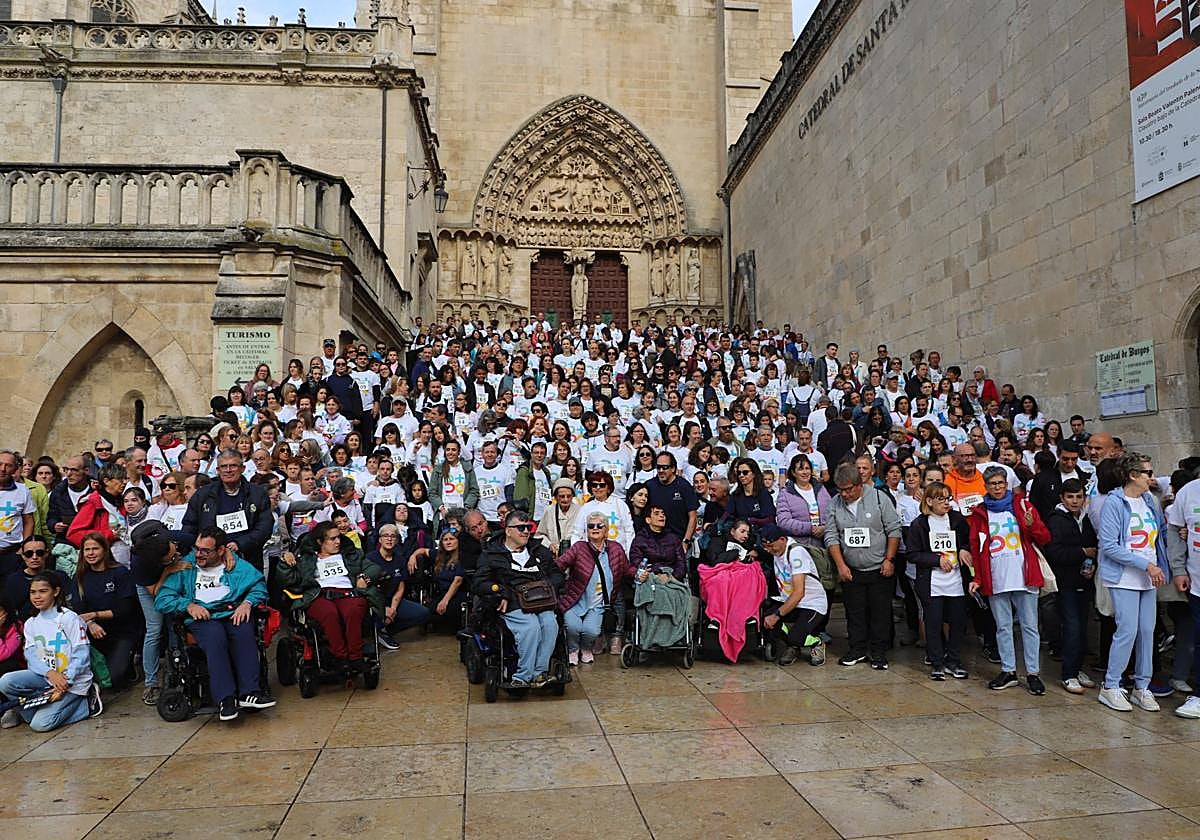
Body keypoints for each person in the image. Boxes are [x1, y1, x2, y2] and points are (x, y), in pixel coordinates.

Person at [155, 526, 275, 721]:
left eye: (205, 551)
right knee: (215, 638)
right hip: (202, 616)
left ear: (221, 550)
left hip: (231, 610)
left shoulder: (236, 564)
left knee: (244, 632)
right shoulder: (186, 567)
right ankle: (225, 698)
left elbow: (258, 585)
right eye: (197, 548)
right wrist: (188, 605)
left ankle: (249, 692)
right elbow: (162, 599)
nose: (199, 554)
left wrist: (247, 603)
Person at [967, 466, 1051, 694]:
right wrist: (978, 576)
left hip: (1024, 574)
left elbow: (1044, 537)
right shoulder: (979, 513)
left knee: (1030, 626)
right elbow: (976, 546)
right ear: (986, 487)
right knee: (1003, 627)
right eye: (992, 484)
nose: (997, 487)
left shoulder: (1022, 505)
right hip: (996, 575)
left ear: (1007, 484)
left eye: (1000, 483)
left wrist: (1032, 523)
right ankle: (1008, 670)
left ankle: (1033, 673)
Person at [1097, 452, 1167, 713]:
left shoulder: (1149, 500)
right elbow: (1110, 546)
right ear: (1133, 475)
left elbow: (1158, 534)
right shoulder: (1114, 503)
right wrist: (1146, 565)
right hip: (1124, 576)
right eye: (1147, 472)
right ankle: (1111, 685)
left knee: (1147, 631)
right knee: (1126, 630)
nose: (1152, 476)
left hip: (1148, 578)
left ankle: (1142, 687)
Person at [0, 573, 102, 731]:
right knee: (6, 681)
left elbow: (81, 655)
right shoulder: (31, 623)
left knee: (40, 725)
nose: (37, 596)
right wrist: (50, 673)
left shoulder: (69, 618)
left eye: (43, 591)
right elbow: (32, 656)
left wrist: (64, 682)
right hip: (47, 678)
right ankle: (41, 709)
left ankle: (87, 704)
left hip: (72, 681)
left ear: (55, 591)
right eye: (33, 592)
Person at [824, 462, 901, 669]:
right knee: (854, 612)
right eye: (841, 490)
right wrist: (840, 565)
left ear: (859, 485)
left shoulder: (879, 498)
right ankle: (857, 649)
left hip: (878, 566)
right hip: (851, 568)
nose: (845, 494)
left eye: (848, 489)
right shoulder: (834, 503)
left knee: (880, 612)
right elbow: (831, 535)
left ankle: (879, 652)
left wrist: (889, 559)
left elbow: (893, 530)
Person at [281, 521, 383, 675]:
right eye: (332, 539)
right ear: (320, 542)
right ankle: (340, 657)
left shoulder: (351, 554)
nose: (338, 541)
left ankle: (356, 658)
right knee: (329, 613)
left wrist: (366, 578)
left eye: (338, 538)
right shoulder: (307, 558)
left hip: (348, 593)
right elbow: (288, 579)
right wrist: (285, 562)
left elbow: (374, 568)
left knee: (353, 610)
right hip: (319, 594)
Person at [474, 510, 562, 688]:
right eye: (520, 528)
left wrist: (545, 586)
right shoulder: (492, 554)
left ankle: (539, 673)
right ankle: (522, 676)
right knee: (531, 627)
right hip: (511, 601)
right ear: (508, 531)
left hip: (540, 599)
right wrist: (501, 591)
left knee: (550, 624)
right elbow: (479, 583)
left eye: (528, 527)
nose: (525, 531)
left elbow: (557, 575)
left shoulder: (539, 551)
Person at [906, 482, 972, 680]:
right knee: (933, 623)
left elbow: (968, 541)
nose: (946, 503)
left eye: (948, 498)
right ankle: (936, 661)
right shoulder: (920, 524)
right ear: (929, 501)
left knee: (958, 623)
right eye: (941, 498)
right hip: (932, 582)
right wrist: (936, 560)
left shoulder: (957, 519)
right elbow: (912, 554)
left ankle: (953, 660)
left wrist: (963, 548)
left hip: (956, 581)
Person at [1044, 477, 1098, 694]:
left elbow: (1093, 545)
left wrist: (1091, 563)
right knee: (1072, 627)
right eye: (1070, 497)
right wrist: (1082, 553)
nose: (1074, 501)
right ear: (1062, 498)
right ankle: (1069, 673)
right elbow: (1054, 552)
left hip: (1084, 580)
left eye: (1078, 497)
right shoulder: (1056, 520)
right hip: (1065, 581)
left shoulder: (1086, 519)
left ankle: (1076, 668)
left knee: (1082, 627)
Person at [556, 511, 631, 665]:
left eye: (599, 525)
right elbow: (559, 564)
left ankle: (586, 648)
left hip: (598, 604)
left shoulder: (616, 549)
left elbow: (627, 569)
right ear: (587, 530)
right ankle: (573, 650)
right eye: (591, 526)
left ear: (606, 530)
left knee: (592, 631)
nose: (595, 528)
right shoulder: (579, 547)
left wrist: (640, 575)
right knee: (572, 627)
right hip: (575, 600)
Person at [181, 449, 274, 574]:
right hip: (209, 562)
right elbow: (189, 526)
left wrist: (238, 544)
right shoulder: (203, 494)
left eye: (233, 466)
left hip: (248, 560)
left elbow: (265, 527)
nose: (228, 470)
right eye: (224, 466)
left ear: (243, 468)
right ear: (218, 470)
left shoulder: (258, 494)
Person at [73, 532, 139, 690]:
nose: (90, 553)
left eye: (95, 548)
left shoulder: (120, 572)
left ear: (105, 549)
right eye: (86, 549)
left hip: (122, 633)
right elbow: (78, 609)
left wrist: (95, 615)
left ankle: (129, 663)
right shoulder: (80, 577)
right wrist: (90, 623)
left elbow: (126, 609)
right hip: (93, 633)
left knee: (115, 680)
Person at [760, 525, 828, 666]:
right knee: (764, 620)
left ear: (782, 539)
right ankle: (793, 645)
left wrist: (776, 615)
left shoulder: (796, 553)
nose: (768, 550)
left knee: (795, 636)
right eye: (765, 546)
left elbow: (799, 593)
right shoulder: (776, 551)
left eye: (771, 546)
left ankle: (816, 641)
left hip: (811, 603)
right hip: (790, 602)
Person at [644, 451, 700, 545]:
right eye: (658, 467)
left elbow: (693, 516)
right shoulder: (649, 486)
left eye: (665, 467)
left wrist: (686, 541)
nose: (661, 470)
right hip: (655, 542)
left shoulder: (684, 486)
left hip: (679, 541)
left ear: (673, 468)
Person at [0, 450, 37, 576]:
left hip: (11, 553)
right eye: (0, 464)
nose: (3, 469)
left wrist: (23, 548)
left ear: (15, 469)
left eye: (8, 465)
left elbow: (29, 522)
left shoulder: (22, 491)